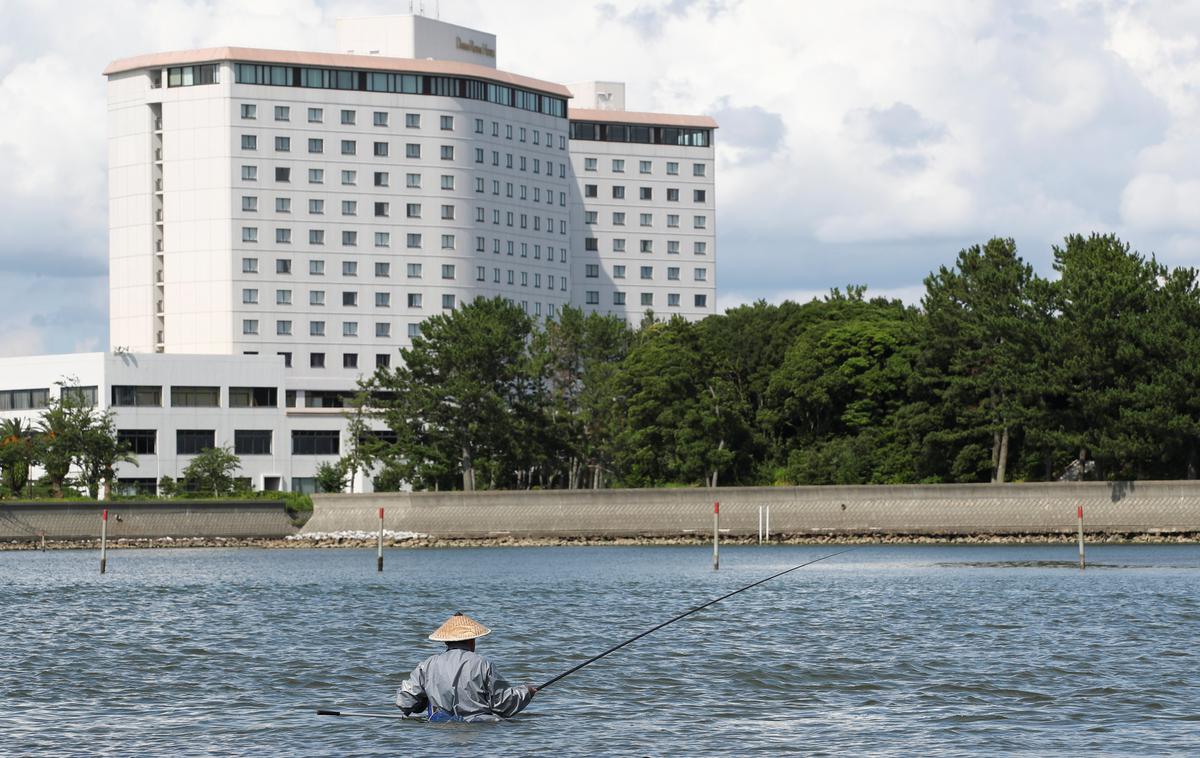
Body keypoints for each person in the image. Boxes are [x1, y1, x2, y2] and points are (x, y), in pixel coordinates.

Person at [396, 611, 537, 722]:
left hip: (438, 732)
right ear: (471, 639)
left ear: (446, 642)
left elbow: (405, 702)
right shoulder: (483, 664)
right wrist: (526, 692)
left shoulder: (427, 665)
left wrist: (423, 701)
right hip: (480, 727)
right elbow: (503, 704)